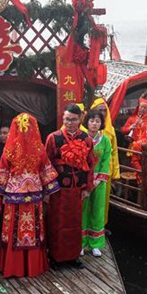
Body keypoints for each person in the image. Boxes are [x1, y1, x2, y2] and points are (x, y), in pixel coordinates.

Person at [0, 113, 59, 277]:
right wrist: (48, 190)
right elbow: (46, 171)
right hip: (34, 195)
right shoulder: (39, 149)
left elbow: (2, 172)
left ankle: (12, 266)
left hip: (14, 196)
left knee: (13, 230)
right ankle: (33, 266)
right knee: (33, 230)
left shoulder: (10, 149)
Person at [45, 104, 94, 267]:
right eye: (66, 119)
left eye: (73, 119)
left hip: (76, 187)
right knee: (57, 221)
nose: (69, 123)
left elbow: (90, 163)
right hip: (58, 188)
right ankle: (55, 257)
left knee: (75, 222)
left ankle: (73, 256)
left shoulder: (86, 138)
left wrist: (88, 187)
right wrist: (46, 189)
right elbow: (46, 164)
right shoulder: (53, 137)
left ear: (80, 119)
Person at [81, 111, 111, 257]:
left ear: (101, 123)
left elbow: (106, 160)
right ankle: (81, 242)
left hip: (99, 180)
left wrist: (99, 178)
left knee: (98, 210)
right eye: (92, 120)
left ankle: (95, 244)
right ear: (86, 122)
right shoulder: (81, 138)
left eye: (97, 121)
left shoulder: (105, 140)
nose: (94, 123)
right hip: (84, 180)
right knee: (82, 210)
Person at [90, 97, 120, 225]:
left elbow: (114, 151)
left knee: (103, 200)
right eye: (99, 110)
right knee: (89, 199)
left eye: (104, 110)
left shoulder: (110, 129)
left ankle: (101, 225)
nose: (102, 113)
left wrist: (115, 171)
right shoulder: (87, 128)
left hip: (106, 170)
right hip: (91, 169)